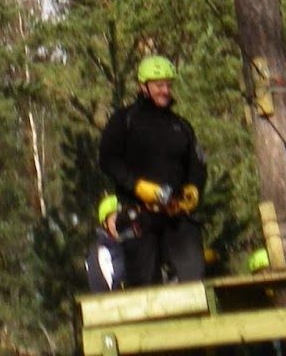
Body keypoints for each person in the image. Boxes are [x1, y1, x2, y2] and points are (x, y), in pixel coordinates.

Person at [98, 54, 207, 287]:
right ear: (143, 87)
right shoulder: (124, 121)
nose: (165, 90)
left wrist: (194, 189)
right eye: (159, 85)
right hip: (140, 217)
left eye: (168, 85)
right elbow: (108, 160)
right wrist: (136, 185)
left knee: (194, 281)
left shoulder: (181, 126)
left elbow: (197, 164)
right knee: (145, 288)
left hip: (176, 216)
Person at [84, 194, 127, 292]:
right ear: (105, 224)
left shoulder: (123, 243)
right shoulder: (102, 251)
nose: (120, 223)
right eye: (115, 220)